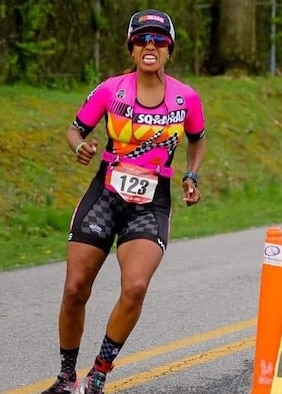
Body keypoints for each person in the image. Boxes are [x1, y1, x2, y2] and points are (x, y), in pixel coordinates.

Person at [42, 8, 206, 394]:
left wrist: (191, 174)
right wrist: (80, 146)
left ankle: (98, 374)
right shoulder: (109, 90)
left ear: (169, 49)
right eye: (142, 39)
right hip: (105, 194)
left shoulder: (187, 98)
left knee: (135, 286)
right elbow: (74, 129)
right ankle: (67, 377)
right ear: (131, 48)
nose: (151, 45)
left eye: (159, 39)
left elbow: (197, 138)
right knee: (75, 288)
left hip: (152, 203)